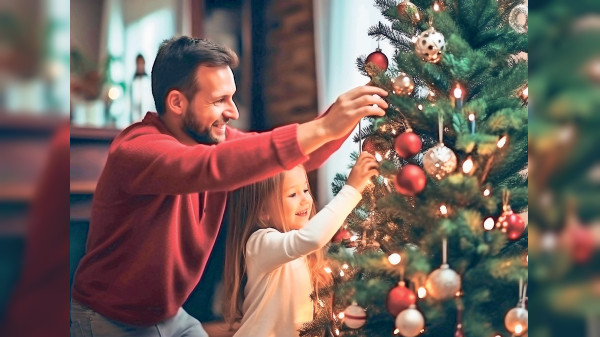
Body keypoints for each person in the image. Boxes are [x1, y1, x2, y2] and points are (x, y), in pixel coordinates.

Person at [70, 36, 387, 337]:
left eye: (232, 97)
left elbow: (288, 160)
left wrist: (350, 112)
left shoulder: (212, 140)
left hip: (168, 315)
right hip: (107, 320)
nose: (233, 111)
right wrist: (321, 127)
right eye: (220, 100)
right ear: (177, 102)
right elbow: (208, 168)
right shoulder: (137, 151)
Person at [223, 152, 379, 337]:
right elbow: (311, 238)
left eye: (305, 190)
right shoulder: (260, 244)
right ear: (263, 211)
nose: (305, 199)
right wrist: (351, 189)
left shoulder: (301, 252)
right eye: (292, 194)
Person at [130, 54, 155, 123]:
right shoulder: (133, 81)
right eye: (138, 63)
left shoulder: (148, 81)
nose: (140, 66)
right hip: (135, 117)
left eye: (141, 63)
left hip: (147, 116)